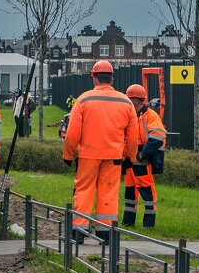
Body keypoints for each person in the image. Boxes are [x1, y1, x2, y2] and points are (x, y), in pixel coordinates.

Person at [61, 60, 139, 244]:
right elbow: (133, 135)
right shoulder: (125, 102)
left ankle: (79, 232)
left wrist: (68, 155)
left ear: (94, 78)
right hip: (113, 157)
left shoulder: (84, 100)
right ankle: (106, 233)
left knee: (84, 191)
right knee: (109, 193)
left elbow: (72, 133)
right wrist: (130, 157)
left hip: (88, 155)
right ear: (111, 79)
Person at [121, 84, 167, 228]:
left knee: (146, 192)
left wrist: (143, 154)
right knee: (130, 192)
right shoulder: (130, 115)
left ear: (135, 100)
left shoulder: (150, 115)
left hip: (141, 159)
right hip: (130, 159)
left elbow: (158, 136)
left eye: (129, 99)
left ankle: (148, 224)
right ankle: (128, 222)